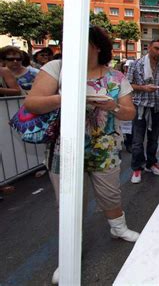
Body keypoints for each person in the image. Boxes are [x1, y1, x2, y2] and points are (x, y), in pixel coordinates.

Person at [25, 26, 140, 284]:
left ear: (97, 46)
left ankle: (118, 228)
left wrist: (112, 106)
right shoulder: (57, 68)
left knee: (110, 193)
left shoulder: (117, 77)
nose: (72, 46)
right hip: (64, 150)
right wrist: (64, 98)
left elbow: (130, 113)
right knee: (67, 203)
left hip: (105, 149)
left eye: (81, 41)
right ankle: (68, 257)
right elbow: (32, 103)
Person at [127, 39, 159, 183]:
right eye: (156, 48)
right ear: (149, 48)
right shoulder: (136, 64)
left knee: (153, 140)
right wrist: (144, 88)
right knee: (137, 141)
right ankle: (137, 168)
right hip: (140, 107)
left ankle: (151, 163)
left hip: (156, 108)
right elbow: (127, 85)